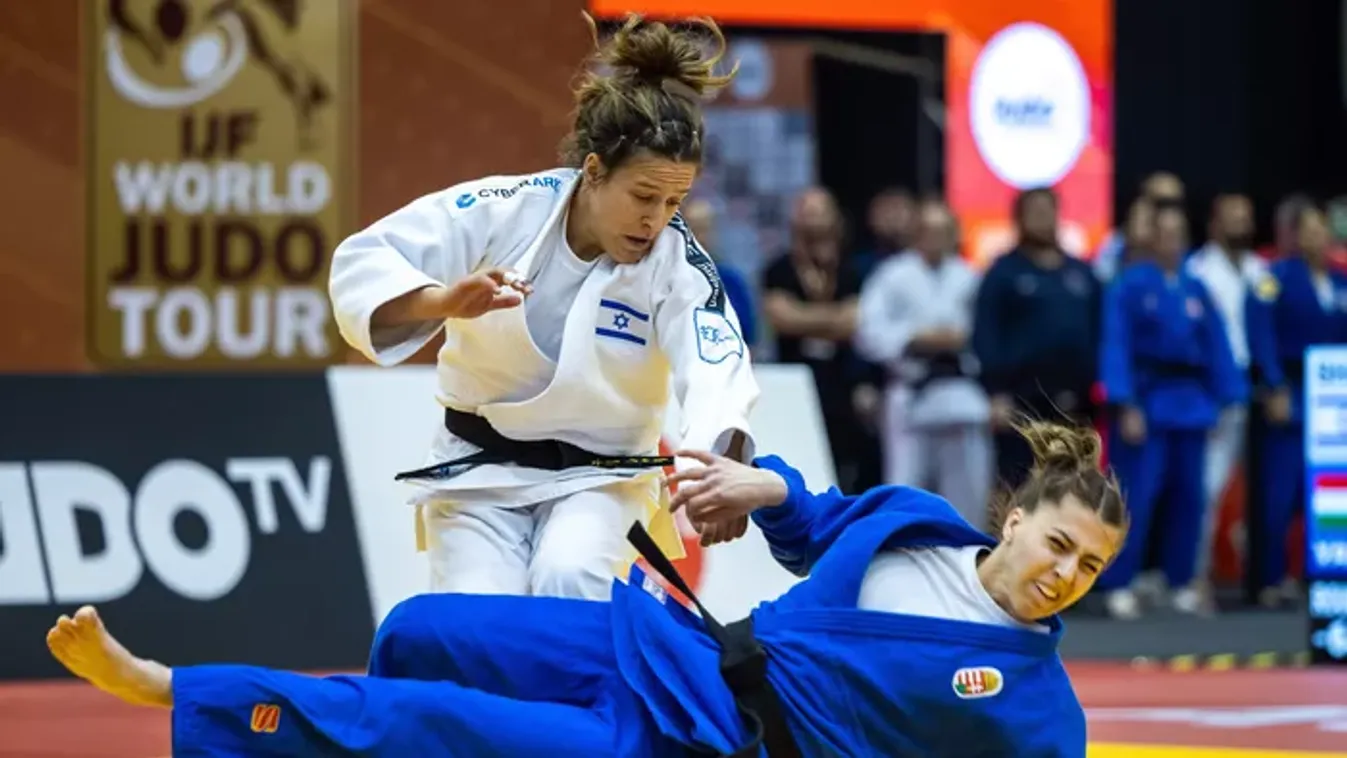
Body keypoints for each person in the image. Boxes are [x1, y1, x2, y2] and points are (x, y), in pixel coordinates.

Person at [47, 419, 1125, 757]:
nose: (1064, 575)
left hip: (715, 744)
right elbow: (816, 524)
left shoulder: (1040, 713)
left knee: (431, 722)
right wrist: (767, 484)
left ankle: (174, 687)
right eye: (1059, 544)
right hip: (671, 648)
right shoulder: (912, 520)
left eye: (1088, 569)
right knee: (421, 630)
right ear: (1014, 518)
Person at [327, 13, 760, 600]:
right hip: (477, 468)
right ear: (594, 171)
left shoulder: (677, 262)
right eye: (643, 196)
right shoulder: (507, 208)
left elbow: (716, 364)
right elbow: (365, 259)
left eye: (673, 201)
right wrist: (443, 301)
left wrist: (718, 465)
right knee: (481, 614)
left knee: (569, 577)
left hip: (604, 478)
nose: (655, 219)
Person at [1096, 206, 1245, 620]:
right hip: (1148, 402)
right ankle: (1119, 582)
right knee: (1136, 497)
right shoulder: (1130, 285)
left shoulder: (1196, 288)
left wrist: (1226, 398)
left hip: (1191, 404)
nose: (1171, 241)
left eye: (1178, 233)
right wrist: (1124, 402)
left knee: (1190, 498)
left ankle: (1180, 582)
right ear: (1151, 239)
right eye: (1164, 233)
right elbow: (1116, 344)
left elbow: (1218, 346)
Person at [855, 198, 992, 528]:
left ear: (954, 235)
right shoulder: (891, 275)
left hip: (962, 395)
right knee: (905, 491)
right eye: (928, 230)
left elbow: (989, 334)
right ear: (915, 233)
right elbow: (868, 331)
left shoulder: (969, 276)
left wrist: (958, 340)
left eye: (943, 230)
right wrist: (914, 338)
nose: (935, 238)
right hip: (911, 392)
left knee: (968, 500)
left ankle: (964, 555)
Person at [1246, 202, 1347, 607]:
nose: (1316, 238)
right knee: (1279, 492)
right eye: (1308, 230)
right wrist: (1273, 385)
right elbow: (1261, 333)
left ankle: (1322, 576)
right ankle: (1270, 579)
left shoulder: (1340, 280)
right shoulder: (1272, 279)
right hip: (1291, 390)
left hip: (1333, 398)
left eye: (1321, 229)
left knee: (1328, 493)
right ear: (1293, 234)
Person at [973, 187, 1102, 490]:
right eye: (1035, 212)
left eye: (1048, 211)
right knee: (1021, 492)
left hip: (1074, 403)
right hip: (1019, 404)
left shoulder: (1082, 273)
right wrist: (995, 392)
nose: (1042, 218)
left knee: (1071, 490)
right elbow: (986, 333)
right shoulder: (1003, 273)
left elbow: (1099, 332)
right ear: (1019, 219)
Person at [1183, 193, 1264, 612]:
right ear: (1214, 224)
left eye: (1246, 218)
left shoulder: (1261, 270)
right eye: (1233, 218)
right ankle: (1195, 577)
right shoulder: (1197, 270)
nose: (1241, 225)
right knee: (1209, 487)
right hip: (1217, 390)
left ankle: (1264, 580)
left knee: (1266, 490)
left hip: (1262, 387)